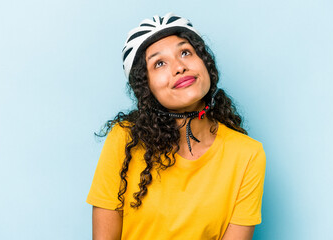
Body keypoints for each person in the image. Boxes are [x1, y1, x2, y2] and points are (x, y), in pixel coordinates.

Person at [87, 13, 266, 240]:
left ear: (205, 63)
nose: (179, 67)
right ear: (146, 87)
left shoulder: (248, 154)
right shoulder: (123, 138)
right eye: (159, 63)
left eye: (185, 53)